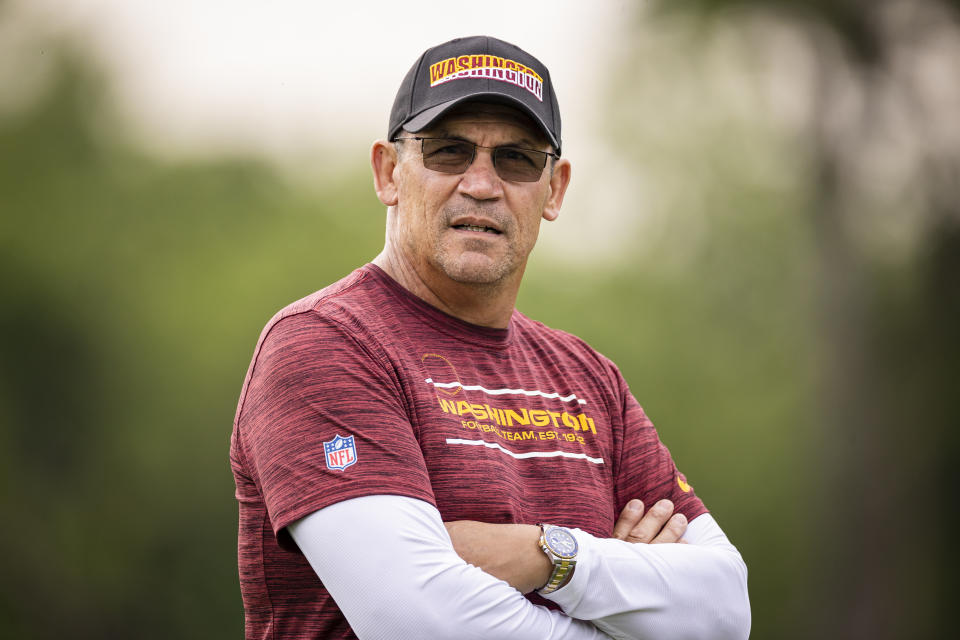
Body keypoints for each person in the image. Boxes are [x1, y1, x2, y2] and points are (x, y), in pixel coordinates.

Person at [230, 35, 750, 640]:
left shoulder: (589, 378)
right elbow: (418, 620)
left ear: (554, 189)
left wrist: (551, 557)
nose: (481, 184)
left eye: (517, 159)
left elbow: (724, 610)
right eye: (448, 152)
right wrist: (633, 602)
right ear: (388, 171)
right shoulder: (325, 346)